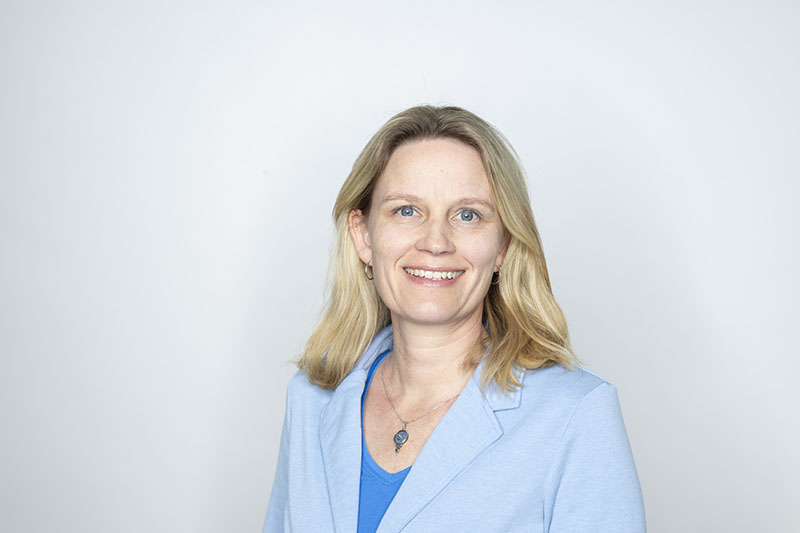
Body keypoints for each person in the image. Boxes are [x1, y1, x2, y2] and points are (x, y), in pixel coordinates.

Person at [263, 105, 646, 532]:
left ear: (502, 246)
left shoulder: (575, 415)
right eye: (406, 210)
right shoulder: (311, 398)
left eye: (468, 215)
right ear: (364, 234)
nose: (436, 241)